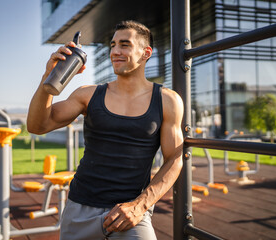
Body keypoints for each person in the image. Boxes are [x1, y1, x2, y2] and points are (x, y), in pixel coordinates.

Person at [27, 20, 183, 240]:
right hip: (80, 208)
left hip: (130, 212)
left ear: (145, 53)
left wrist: (139, 206)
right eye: (112, 45)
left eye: (125, 45)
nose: (115, 52)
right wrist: (47, 79)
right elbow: (37, 126)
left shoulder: (167, 101)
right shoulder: (88, 94)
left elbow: (175, 158)